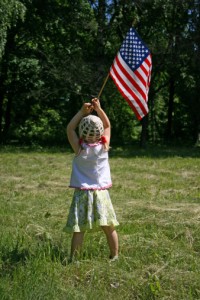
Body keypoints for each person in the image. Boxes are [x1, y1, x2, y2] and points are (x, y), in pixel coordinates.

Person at [64, 98, 119, 262]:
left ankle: (75, 259)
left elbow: (69, 129)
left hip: (82, 194)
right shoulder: (104, 147)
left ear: (82, 131)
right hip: (101, 194)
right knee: (108, 227)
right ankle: (114, 255)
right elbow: (108, 125)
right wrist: (99, 109)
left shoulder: (79, 149)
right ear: (100, 132)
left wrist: (81, 112)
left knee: (79, 229)